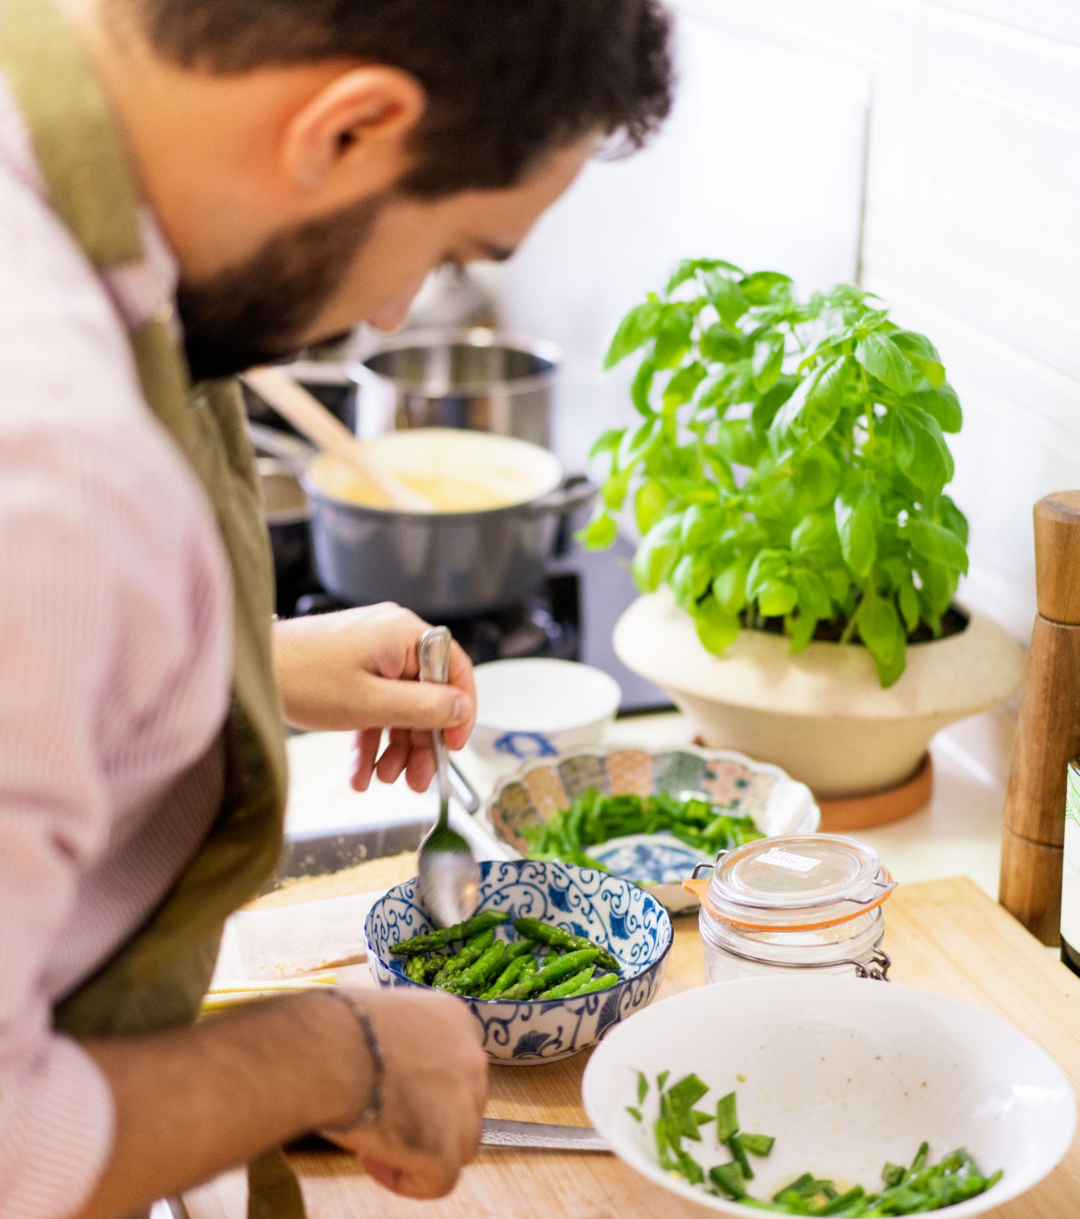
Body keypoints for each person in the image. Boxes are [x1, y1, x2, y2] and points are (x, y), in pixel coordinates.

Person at [0, 0, 674, 1216]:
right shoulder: (52, 456)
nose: (394, 314)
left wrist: (243, 664)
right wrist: (337, 1053)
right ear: (352, 127)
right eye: (451, 247)